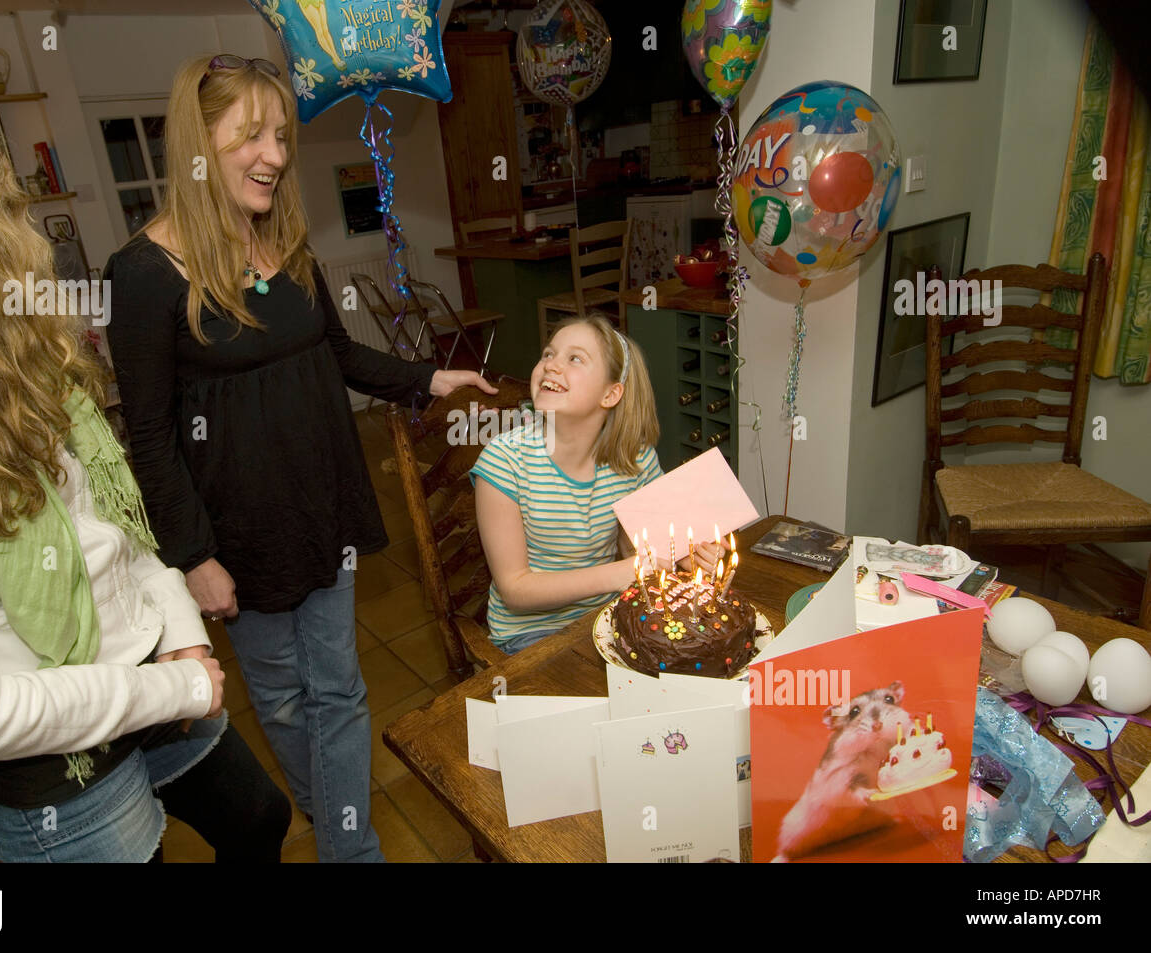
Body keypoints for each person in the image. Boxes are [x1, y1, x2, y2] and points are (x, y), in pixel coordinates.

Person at [0, 90, 289, 863]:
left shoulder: (15, 360)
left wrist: (182, 641)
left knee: (257, 818)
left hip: (144, 668)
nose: (22, 227)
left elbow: (118, 528)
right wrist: (173, 690)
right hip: (49, 757)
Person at [104, 54, 490, 863]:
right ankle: (336, 818)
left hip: (326, 506)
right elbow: (148, 436)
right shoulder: (142, 274)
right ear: (197, 142)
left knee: (340, 691)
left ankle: (352, 848)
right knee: (281, 700)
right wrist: (194, 554)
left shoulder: (286, 243)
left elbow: (340, 354)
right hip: (240, 534)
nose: (276, 154)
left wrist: (428, 375)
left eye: (281, 134)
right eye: (252, 134)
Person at [471, 315, 724, 654]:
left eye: (574, 358)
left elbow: (649, 549)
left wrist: (692, 558)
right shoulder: (504, 462)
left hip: (612, 615)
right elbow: (516, 591)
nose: (551, 366)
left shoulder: (635, 457)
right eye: (548, 354)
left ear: (610, 393)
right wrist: (628, 572)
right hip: (533, 635)